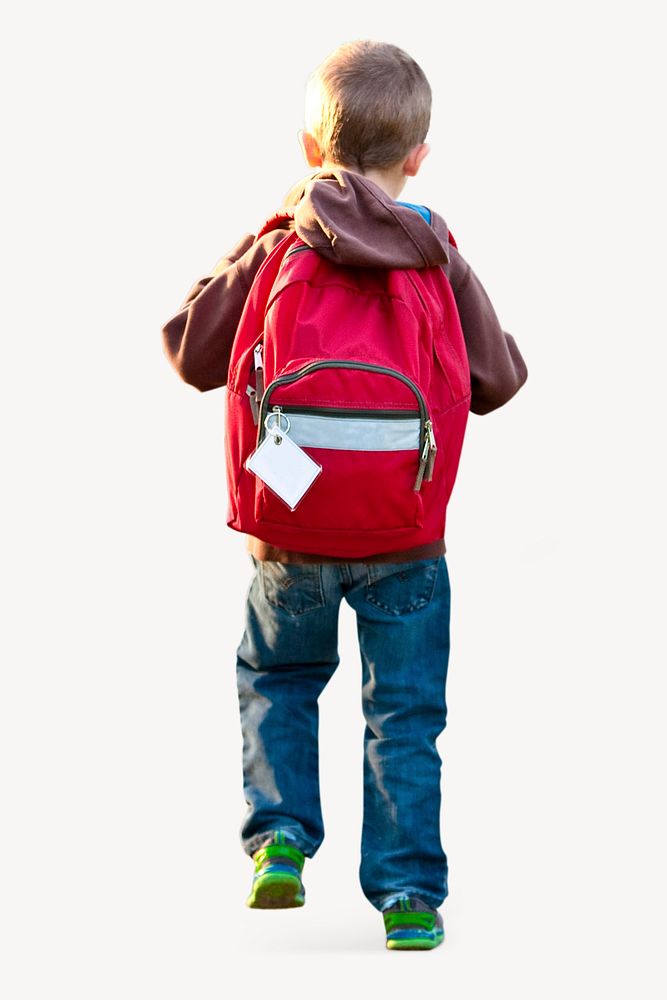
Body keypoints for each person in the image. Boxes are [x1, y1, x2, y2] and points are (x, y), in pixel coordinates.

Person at [161, 39, 528, 951]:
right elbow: (500, 380)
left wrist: (263, 232)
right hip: (406, 537)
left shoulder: (281, 243)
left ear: (305, 148)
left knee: (278, 680)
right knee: (402, 715)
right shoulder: (435, 250)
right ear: (418, 157)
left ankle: (279, 841)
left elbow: (188, 351)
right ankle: (408, 897)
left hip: (289, 535)